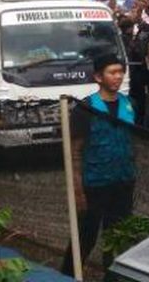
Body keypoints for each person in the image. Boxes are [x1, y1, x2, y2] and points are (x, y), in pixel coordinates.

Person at [61, 55, 136, 276]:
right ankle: (66, 275)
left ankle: (112, 277)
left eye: (120, 72)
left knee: (117, 236)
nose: (118, 77)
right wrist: (77, 188)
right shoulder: (85, 108)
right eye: (112, 72)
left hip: (123, 180)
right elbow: (74, 151)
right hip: (94, 183)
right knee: (85, 236)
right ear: (98, 77)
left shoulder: (129, 104)